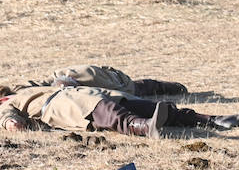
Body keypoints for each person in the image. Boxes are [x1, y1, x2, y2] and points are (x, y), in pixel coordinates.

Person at [0, 85, 239, 138]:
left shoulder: (26, 86)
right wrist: (11, 122)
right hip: (60, 106)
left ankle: (214, 120)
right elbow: (7, 118)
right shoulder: (7, 103)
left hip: (84, 91)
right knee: (109, 114)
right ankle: (144, 128)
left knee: (153, 107)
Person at [3, 65, 187, 98]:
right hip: (78, 80)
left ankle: (167, 87)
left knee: (130, 90)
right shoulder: (21, 91)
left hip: (85, 78)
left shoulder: (21, 91)